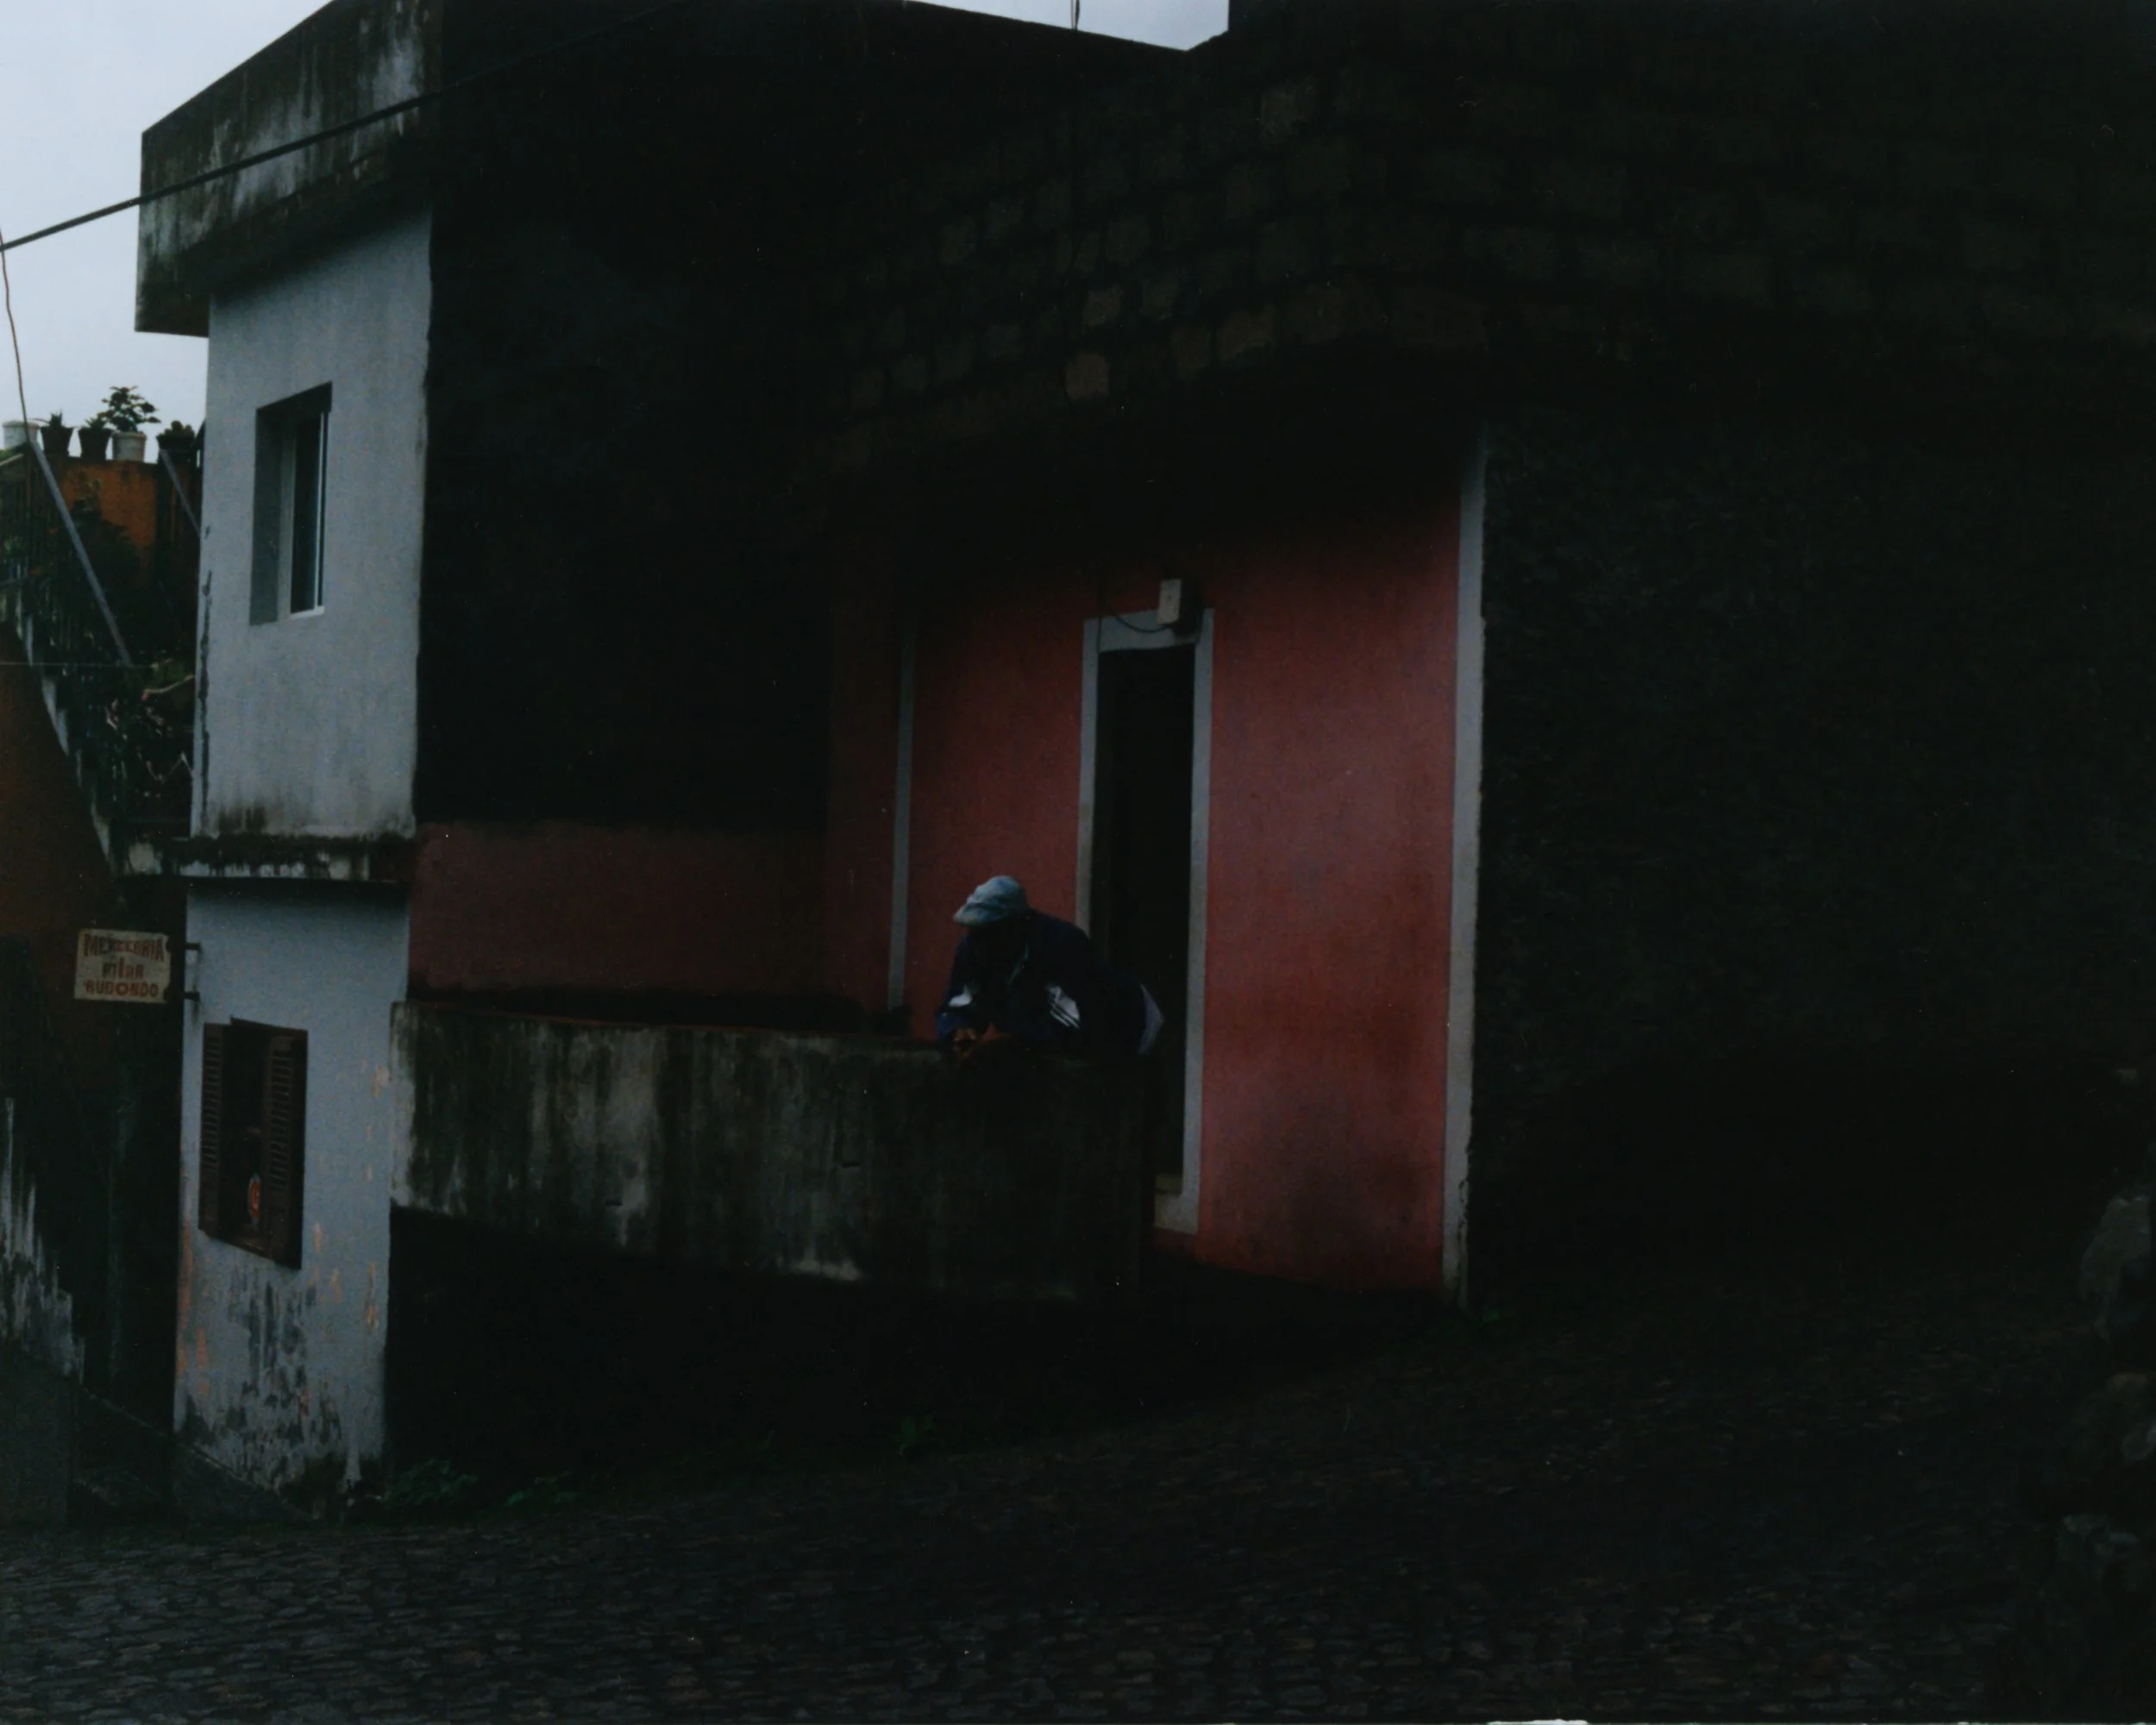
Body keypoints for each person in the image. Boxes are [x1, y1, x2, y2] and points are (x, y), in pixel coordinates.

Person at [936, 875, 1163, 1067]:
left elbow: (1073, 1024)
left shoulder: (1061, 945)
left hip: (1130, 1027)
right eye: (973, 932)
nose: (978, 944)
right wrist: (959, 1029)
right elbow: (959, 1001)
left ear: (1019, 925)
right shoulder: (974, 948)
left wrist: (1012, 1042)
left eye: (989, 933)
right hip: (1060, 1033)